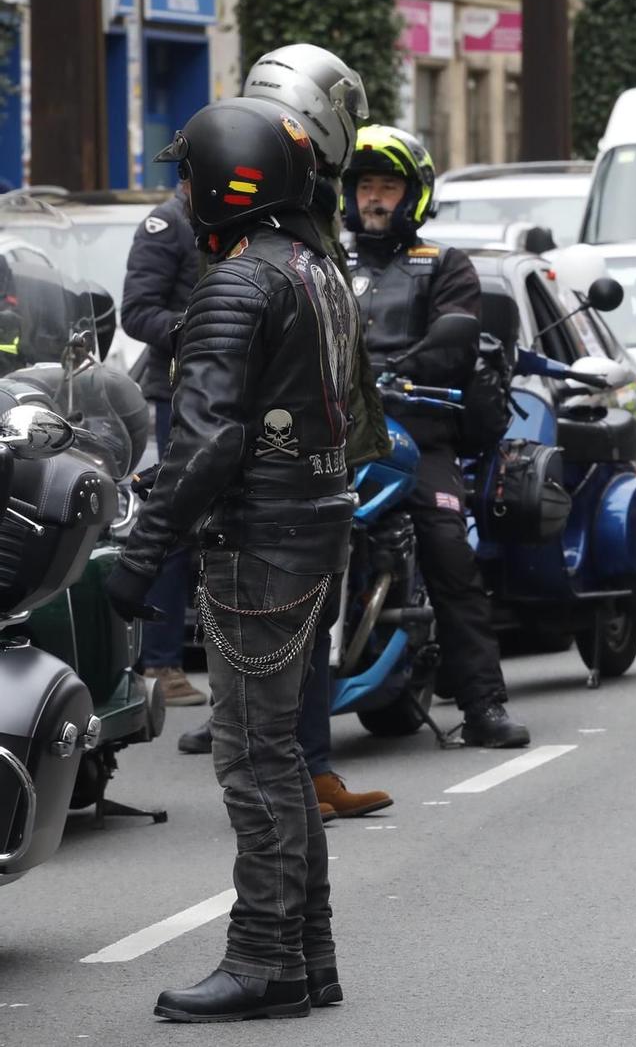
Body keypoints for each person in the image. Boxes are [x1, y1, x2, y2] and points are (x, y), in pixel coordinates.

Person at [100, 98, 359, 1022]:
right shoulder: (317, 267)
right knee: (282, 753)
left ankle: (265, 959)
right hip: (318, 523)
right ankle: (309, 952)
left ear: (219, 182)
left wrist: (138, 561)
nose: (182, 190)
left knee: (252, 761)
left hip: (260, 542)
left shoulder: (238, 282)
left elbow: (202, 447)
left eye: (189, 174)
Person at [176, 47, 393, 822]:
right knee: (265, 748)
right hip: (278, 489)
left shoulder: (303, 225)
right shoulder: (255, 223)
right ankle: (285, 938)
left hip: (294, 487)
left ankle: (276, 940)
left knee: (267, 742)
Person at [346, 126, 529, 749]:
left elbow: (459, 338)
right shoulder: (317, 264)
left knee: (449, 546)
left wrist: (412, 366)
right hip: (330, 435)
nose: (374, 198)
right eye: (365, 185)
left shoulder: (443, 265)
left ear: (413, 196)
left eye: (387, 186)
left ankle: (483, 704)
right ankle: (236, 709)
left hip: (414, 433)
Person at [119, 178, 204, 707]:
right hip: (181, 393)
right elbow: (137, 311)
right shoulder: (167, 225)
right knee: (175, 526)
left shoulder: (233, 223)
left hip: (237, 391)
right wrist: (203, 326)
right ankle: (161, 664)